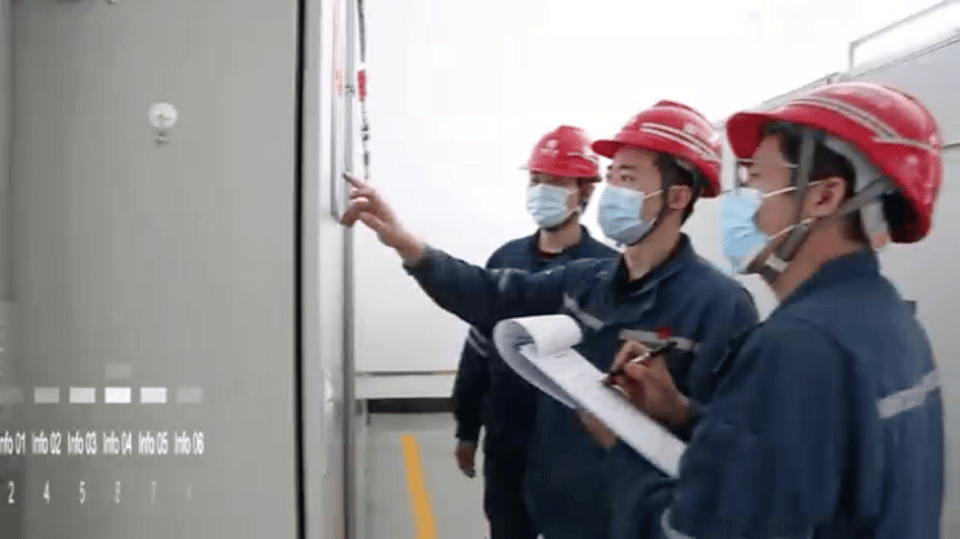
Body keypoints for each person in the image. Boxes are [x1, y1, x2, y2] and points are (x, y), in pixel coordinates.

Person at [340, 100, 759, 539]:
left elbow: (734, 440)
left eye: (629, 178)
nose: (613, 190)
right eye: (612, 175)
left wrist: (675, 410)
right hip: (556, 510)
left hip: (635, 519)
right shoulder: (587, 281)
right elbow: (487, 294)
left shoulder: (720, 305)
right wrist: (407, 245)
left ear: (677, 197)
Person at [598, 81, 945, 538]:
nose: (737, 204)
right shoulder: (892, 322)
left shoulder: (801, 344)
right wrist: (682, 415)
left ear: (823, 197)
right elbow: (794, 463)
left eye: (755, 180)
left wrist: (621, 441)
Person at [451, 125, 618, 539]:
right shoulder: (505, 259)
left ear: (585, 191)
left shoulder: (607, 270)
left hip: (575, 453)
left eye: (556, 182)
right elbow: (478, 350)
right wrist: (467, 427)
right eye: (536, 180)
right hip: (508, 443)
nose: (542, 191)